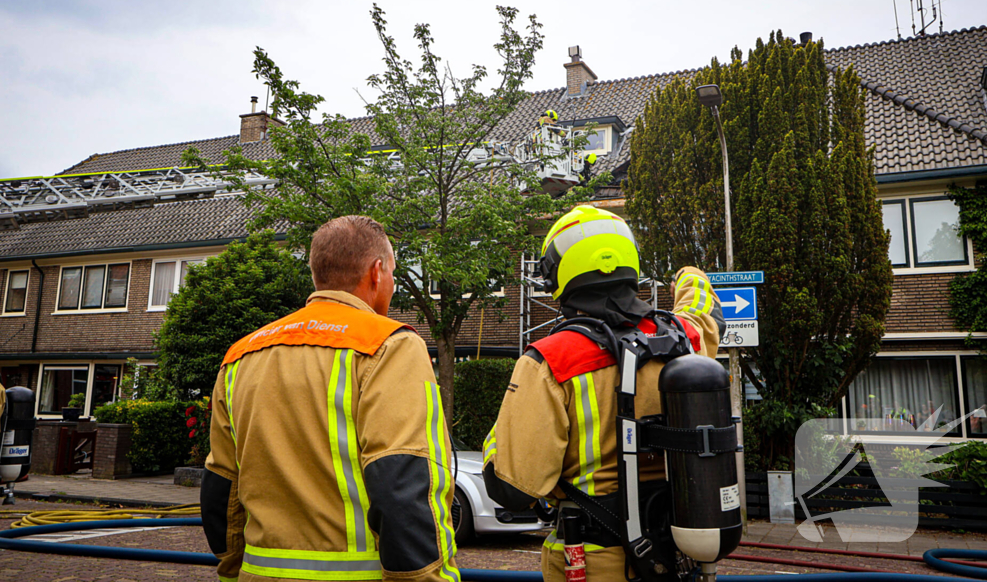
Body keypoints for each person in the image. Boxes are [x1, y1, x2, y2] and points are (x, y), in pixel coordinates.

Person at [201, 216, 460, 582]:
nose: (391, 285)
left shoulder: (241, 356)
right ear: (376, 272)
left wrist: (232, 570)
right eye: (392, 275)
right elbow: (403, 486)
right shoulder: (390, 345)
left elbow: (221, 487)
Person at [482, 205, 725, 582]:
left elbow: (512, 488)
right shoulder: (678, 340)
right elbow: (706, 315)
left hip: (591, 561)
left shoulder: (550, 361)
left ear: (558, 275)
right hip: (675, 553)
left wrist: (498, 438)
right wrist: (690, 275)